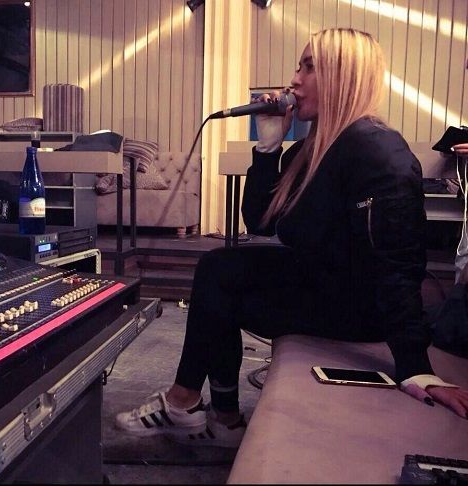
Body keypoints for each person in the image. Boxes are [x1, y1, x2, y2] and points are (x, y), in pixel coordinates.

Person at [115, 28, 468, 448]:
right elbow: (261, 222)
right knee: (218, 272)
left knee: (220, 284)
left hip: (360, 309)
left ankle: (190, 405)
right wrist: (268, 147)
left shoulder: (378, 151)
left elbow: (398, 266)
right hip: (322, 285)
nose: (294, 80)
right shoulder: (310, 149)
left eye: (309, 67)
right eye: (298, 66)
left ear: (343, 76)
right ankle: (216, 415)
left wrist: (415, 367)